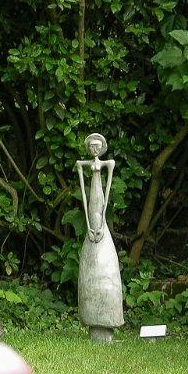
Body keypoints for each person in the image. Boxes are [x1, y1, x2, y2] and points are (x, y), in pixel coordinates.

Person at [76, 133, 124, 342]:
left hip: (100, 222)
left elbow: (107, 193)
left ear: (102, 148)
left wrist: (102, 222)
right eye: (91, 147)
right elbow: (84, 197)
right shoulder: (82, 165)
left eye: (98, 147)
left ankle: (108, 319)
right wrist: (89, 225)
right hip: (92, 224)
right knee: (90, 272)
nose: (94, 150)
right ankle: (92, 317)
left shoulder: (108, 164)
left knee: (107, 270)